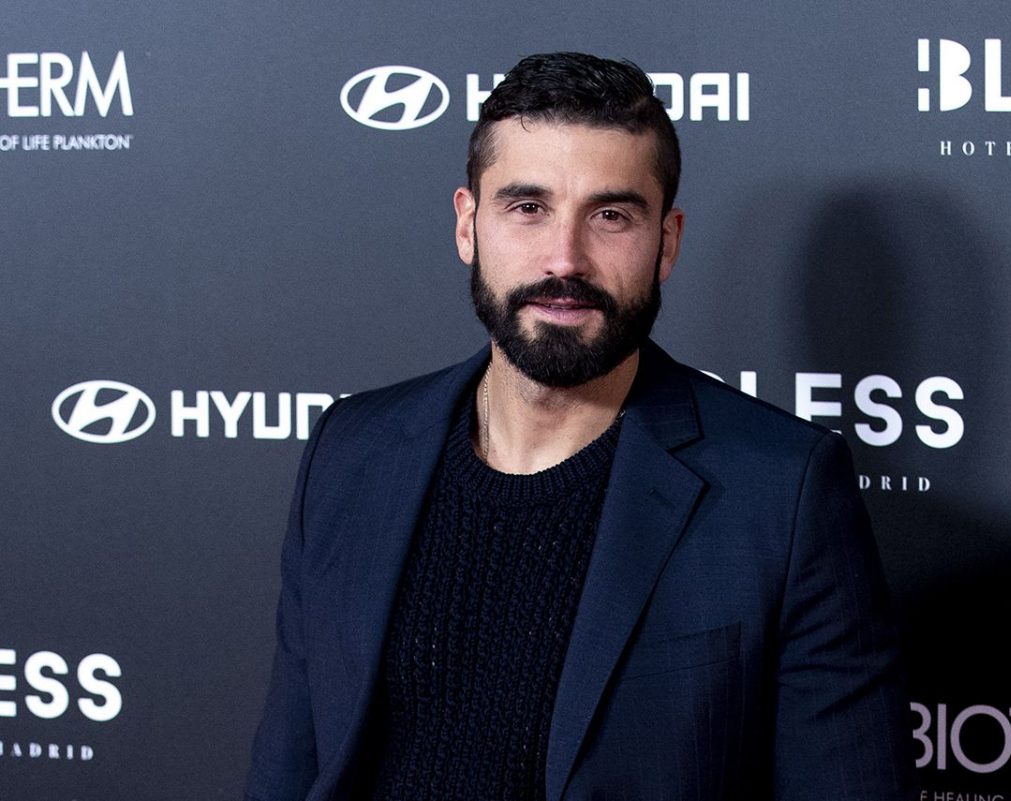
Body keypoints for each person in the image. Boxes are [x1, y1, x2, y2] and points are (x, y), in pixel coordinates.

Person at [244, 52, 915, 801]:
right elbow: (287, 769)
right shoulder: (352, 450)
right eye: (527, 207)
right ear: (468, 225)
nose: (565, 259)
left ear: (667, 242)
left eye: (611, 215)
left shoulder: (781, 493)